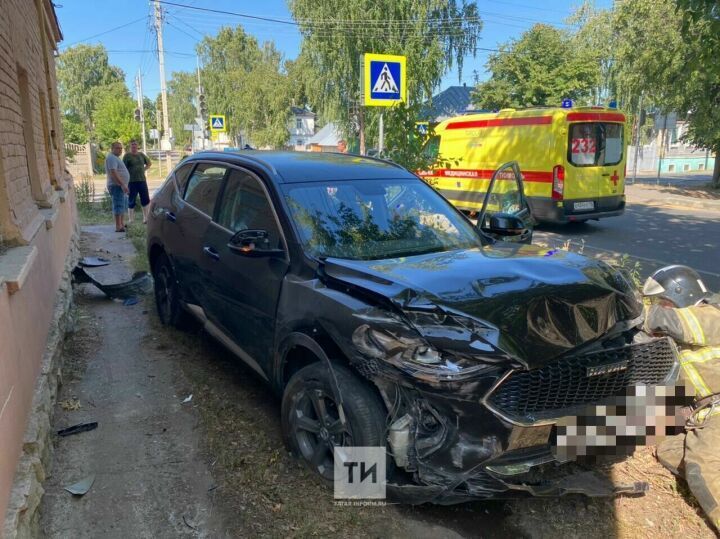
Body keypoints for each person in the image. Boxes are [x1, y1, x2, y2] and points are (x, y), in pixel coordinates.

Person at [642, 265, 720, 532]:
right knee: (668, 450)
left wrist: (622, 310)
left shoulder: (710, 315)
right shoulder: (684, 333)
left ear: (681, 295)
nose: (659, 306)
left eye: (662, 301)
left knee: (702, 470)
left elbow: (663, 320)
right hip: (705, 414)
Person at [122, 140, 152, 224]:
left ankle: (146, 218)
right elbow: (123, 168)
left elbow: (149, 163)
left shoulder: (141, 155)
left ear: (137, 146)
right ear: (130, 146)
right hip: (131, 181)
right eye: (132, 145)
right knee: (131, 200)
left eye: (135, 144)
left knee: (145, 199)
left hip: (142, 180)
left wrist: (143, 169)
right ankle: (131, 219)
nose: (134, 146)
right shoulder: (127, 156)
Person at [105, 141, 130, 232]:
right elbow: (113, 172)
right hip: (116, 185)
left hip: (120, 186)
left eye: (121, 148)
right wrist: (122, 184)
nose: (120, 150)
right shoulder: (111, 158)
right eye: (117, 148)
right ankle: (118, 226)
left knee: (122, 204)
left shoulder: (116, 158)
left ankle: (121, 224)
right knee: (118, 204)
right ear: (112, 149)